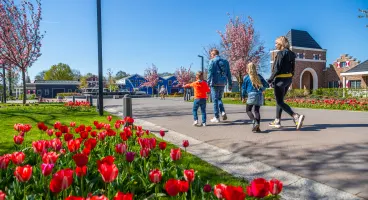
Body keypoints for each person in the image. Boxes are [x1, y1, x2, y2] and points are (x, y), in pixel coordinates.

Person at [268, 36, 305, 130]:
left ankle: (295, 116)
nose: (275, 45)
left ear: (281, 43)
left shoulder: (280, 53)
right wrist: (290, 77)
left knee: (279, 101)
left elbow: (277, 68)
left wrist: (270, 79)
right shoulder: (291, 54)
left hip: (280, 79)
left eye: (276, 43)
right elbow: (293, 68)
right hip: (288, 79)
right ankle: (277, 120)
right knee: (280, 101)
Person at [241, 63, 269, 132]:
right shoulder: (259, 76)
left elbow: (243, 89)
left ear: (248, 69)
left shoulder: (246, 77)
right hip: (259, 95)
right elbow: (267, 85)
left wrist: (243, 97)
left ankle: (254, 122)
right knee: (257, 111)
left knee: (248, 110)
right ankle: (258, 128)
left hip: (251, 95)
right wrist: (262, 89)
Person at [207, 49, 232, 123]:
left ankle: (216, 117)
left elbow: (210, 72)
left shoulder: (212, 61)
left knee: (215, 100)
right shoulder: (225, 62)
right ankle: (223, 112)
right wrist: (230, 84)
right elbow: (229, 74)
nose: (211, 56)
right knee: (219, 99)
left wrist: (207, 83)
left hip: (214, 83)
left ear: (213, 54)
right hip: (223, 83)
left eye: (211, 54)